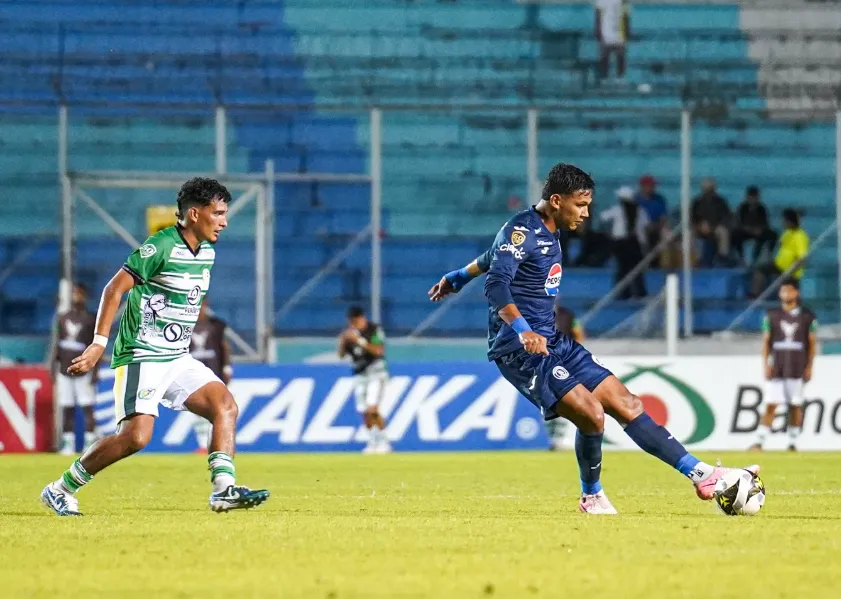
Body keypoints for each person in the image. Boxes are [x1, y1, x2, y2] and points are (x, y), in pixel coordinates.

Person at [428, 162, 757, 514]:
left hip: (552, 340)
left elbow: (493, 258)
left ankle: (701, 474)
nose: (586, 213)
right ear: (556, 200)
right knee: (592, 415)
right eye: (580, 205)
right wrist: (523, 332)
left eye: (588, 205)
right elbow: (496, 285)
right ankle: (592, 496)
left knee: (627, 404)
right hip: (520, 350)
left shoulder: (544, 229)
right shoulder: (522, 230)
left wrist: (458, 276)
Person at [39, 177, 269, 516]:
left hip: (176, 357)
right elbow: (114, 290)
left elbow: (186, 299)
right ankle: (60, 488)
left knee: (225, 406)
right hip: (142, 355)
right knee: (135, 437)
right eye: (218, 213)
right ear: (194, 213)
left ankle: (223, 490)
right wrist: (99, 343)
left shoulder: (206, 252)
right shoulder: (159, 246)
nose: (224, 221)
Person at [750, 279, 816, 452]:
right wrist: (766, 364)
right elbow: (766, 342)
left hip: (797, 366)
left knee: (795, 404)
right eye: (783, 291)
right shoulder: (772, 316)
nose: (785, 294)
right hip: (777, 366)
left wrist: (809, 366)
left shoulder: (807, 317)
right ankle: (759, 441)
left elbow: (812, 343)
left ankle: (793, 442)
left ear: (796, 293)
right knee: (771, 402)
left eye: (789, 291)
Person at [52, 283, 99, 455]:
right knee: (67, 407)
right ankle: (68, 443)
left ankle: (89, 441)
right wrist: (53, 367)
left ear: (85, 296)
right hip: (64, 369)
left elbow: (96, 347)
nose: (76, 297)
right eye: (74, 294)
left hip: (84, 369)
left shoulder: (91, 319)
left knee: (87, 406)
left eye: (79, 294)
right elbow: (56, 345)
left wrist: (95, 371)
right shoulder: (63, 318)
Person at [338, 305, 392, 454]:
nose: (354, 325)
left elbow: (378, 350)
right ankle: (372, 441)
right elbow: (342, 356)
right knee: (363, 411)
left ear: (362, 319)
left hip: (376, 373)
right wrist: (342, 342)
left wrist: (359, 341)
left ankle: (384, 441)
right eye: (352, 322)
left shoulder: (373, 330)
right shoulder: (349, 335)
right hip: (360, 375)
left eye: (356, 322)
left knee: (372, 407)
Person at [189, 299, 232, 453]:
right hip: (192, 374)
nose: (199, 309)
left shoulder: (216, 325)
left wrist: (226, 368)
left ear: (206, 306)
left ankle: (218, 443)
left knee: (218, 408)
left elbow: (224, 346)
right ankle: (204, 445)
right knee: (199, 411)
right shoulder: (184, 324)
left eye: (201, 305)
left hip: (214, 373)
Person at [546, 301, 585, 451]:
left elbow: (578, 332)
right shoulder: (536, 312)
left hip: (565, 362)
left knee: (566, 399)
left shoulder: (567, 314)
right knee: (548, 401)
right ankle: (553, 439)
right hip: (544, 362)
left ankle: (562, 438)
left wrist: (575, 353)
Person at [600, 185, 648, 298]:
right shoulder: (640, 211)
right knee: (636, 271)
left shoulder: (617, 209)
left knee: (622, 269)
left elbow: (603, 217)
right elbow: (642, 232)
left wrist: (608, 231)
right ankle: (639, 292)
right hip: (634, 243)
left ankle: (623, 293)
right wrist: (644, 246)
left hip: (620, 243)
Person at [750, 208, 809, 298]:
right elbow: (781, 245)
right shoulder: (787, 233)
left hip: (791, 271)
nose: (782, 223)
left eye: (784, 221)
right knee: (760, 270)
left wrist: (788, 273)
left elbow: (801, 260)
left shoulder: (801, 237)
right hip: (778, 265)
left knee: (785, 288)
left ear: (790, 222)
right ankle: (754, 295)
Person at [691, 178, 733, 267]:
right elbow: (692, 218)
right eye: (706, 189)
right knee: (689, 233)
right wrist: (699, 226)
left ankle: (723, 257)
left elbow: (726, 218)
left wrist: (714, 227)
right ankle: (694, 258)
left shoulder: (721, 202)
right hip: (700, 228)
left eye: (710, 189)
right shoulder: (697, 202)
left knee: (723, 231)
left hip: (716, 227)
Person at [732, 186, 778, 266]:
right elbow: (739, 223)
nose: (753, 200)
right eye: (751, 197)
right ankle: (740, 257)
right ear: (747, 197)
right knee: (735, 235)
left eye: (755, 197)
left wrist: (760, 229)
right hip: (745, 231)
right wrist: (748, 229)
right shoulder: (743, 208)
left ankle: (763, 256)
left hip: (758, 231)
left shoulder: (761, 208)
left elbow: (765, 223)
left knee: (773, 235)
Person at [594, 0, 630, 79]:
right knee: (606, 57)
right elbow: (598, 16)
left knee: (619, 58)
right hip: (608, 34)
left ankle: (619, 77)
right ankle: (605, 77)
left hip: (618, 35)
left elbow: (626, 16)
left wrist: (626, 33)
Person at [635, 174, 668, 250]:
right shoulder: (635, 200)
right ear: (642, 186)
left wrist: (657, 226)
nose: (652, 188)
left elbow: (663, 217)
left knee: (667, 234)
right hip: (639, 230)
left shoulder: (659, 199)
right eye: (649, 185)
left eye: (653, 185)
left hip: (655, 229)